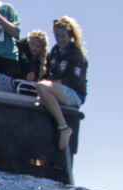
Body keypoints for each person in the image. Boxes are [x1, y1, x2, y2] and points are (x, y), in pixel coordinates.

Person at [35, 16, 88, 149]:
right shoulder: (55, 51)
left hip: (75, 94)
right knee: (40, 89)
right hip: (58, 89)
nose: (60, 39)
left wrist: (54, 83)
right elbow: (48, 73)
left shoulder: (76, 54)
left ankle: (64, 127)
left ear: (70, 35)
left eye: (63, 36)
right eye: (57, 35)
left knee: (42, 87)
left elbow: (74, 80)